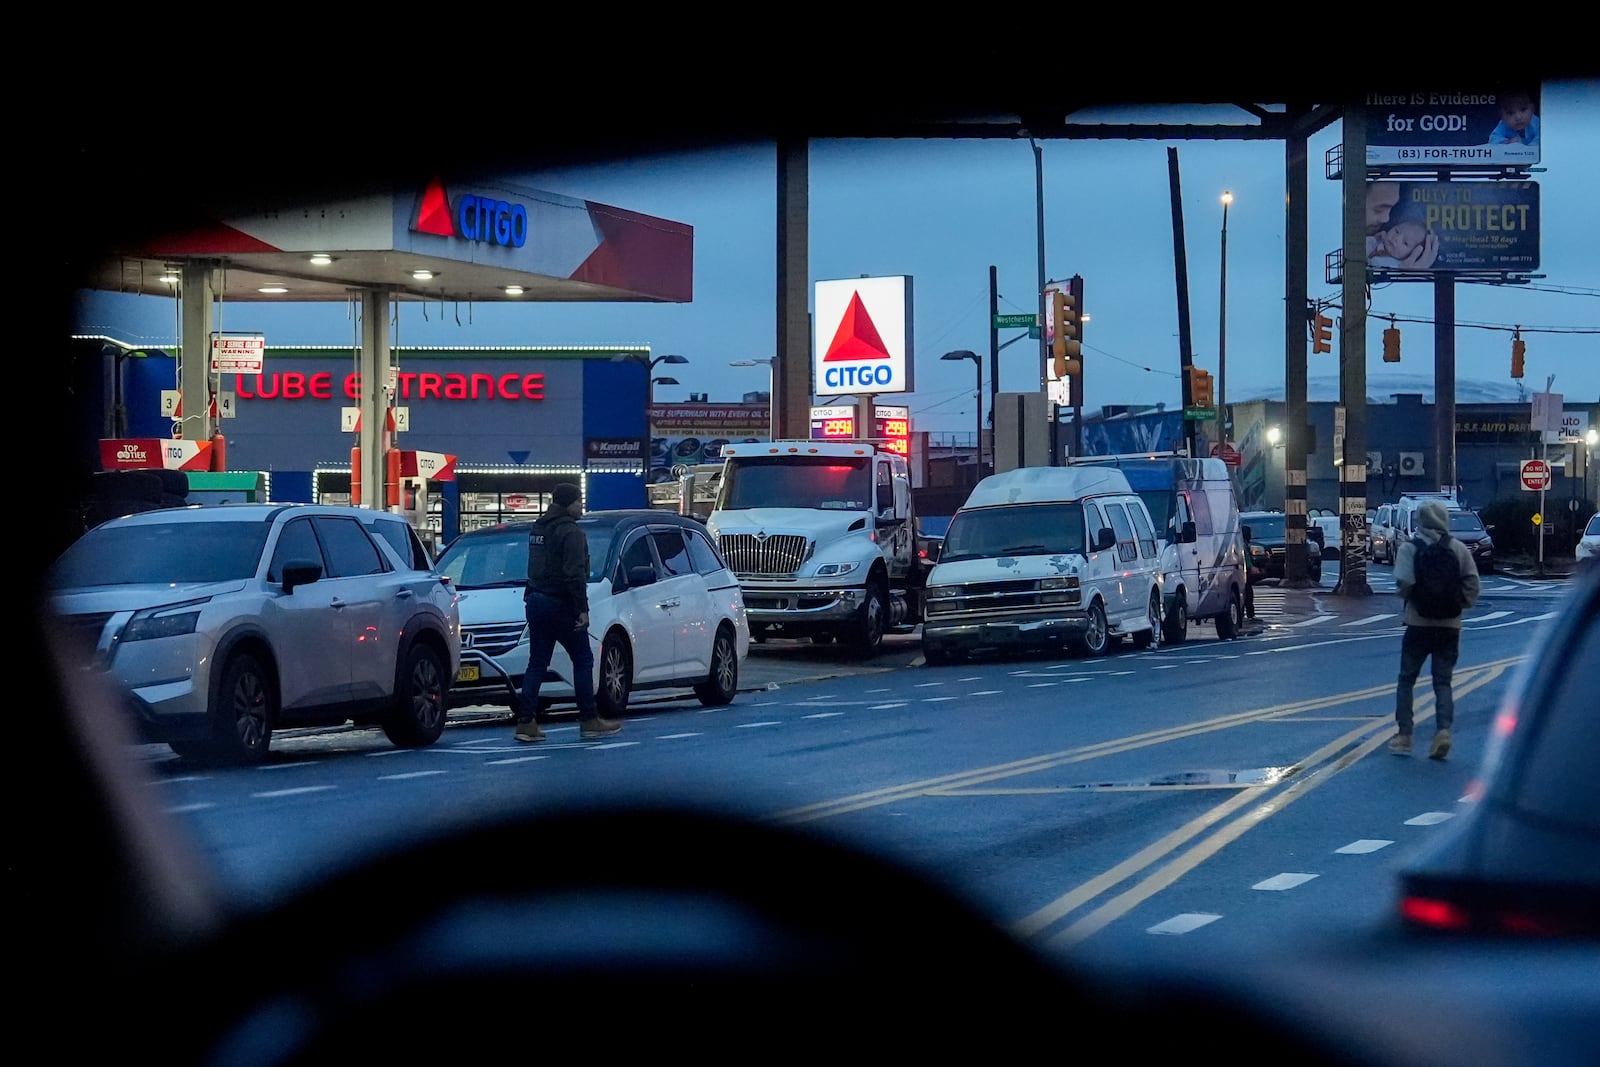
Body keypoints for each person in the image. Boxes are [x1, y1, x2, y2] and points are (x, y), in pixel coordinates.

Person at [514, 482, 622, 742]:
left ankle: (526, 721)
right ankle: (589, 719)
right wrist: (581, 610)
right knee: (583, 659)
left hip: (537, 600)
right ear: (568, 503)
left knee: (537, 662)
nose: (581, 506)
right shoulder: (571, 532)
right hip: (561, 603)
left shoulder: (538, 528)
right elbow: (574, 575)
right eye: (578, 501)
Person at [1388, 500, 1480, 760]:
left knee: (1407, 679)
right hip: (1450, 626)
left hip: (1418, 624)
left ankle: (1405, 735)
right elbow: (1473, 583)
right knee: (1443, 681)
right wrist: (1458, 605)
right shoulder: (1458, 549)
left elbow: (1404, 582)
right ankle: (1443, 732)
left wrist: (1415, 600)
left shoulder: (1410, 548)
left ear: (1420, 521)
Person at [1363, 181, 1439, 269]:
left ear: (1413, 253)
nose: (1386, 219)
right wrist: (1373, 240)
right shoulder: (1377, 242)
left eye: (1405, 243)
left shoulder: (1397, 265)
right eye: (1397, 231)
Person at [1241, 523, 1258, 621]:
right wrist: (1251, 567)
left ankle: (1243, 613)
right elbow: (1246, 559)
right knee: (1247, 592)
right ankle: (1250, 613)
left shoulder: (1242, 543)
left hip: (1239, 571)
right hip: (1243, 572)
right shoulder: (1243, 544)